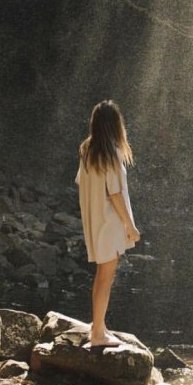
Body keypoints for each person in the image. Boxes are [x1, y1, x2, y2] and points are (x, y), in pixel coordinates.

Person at [75, 99, 140, 348]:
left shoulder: (87, 150)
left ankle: (98, 326)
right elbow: (114, 194)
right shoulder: (111, 153)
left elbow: (83, 183)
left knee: (102, 276)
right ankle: (98, 334)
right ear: (115, 125)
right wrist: (130, 226)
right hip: (109, 222)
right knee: (105, 277)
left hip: (95, 221)